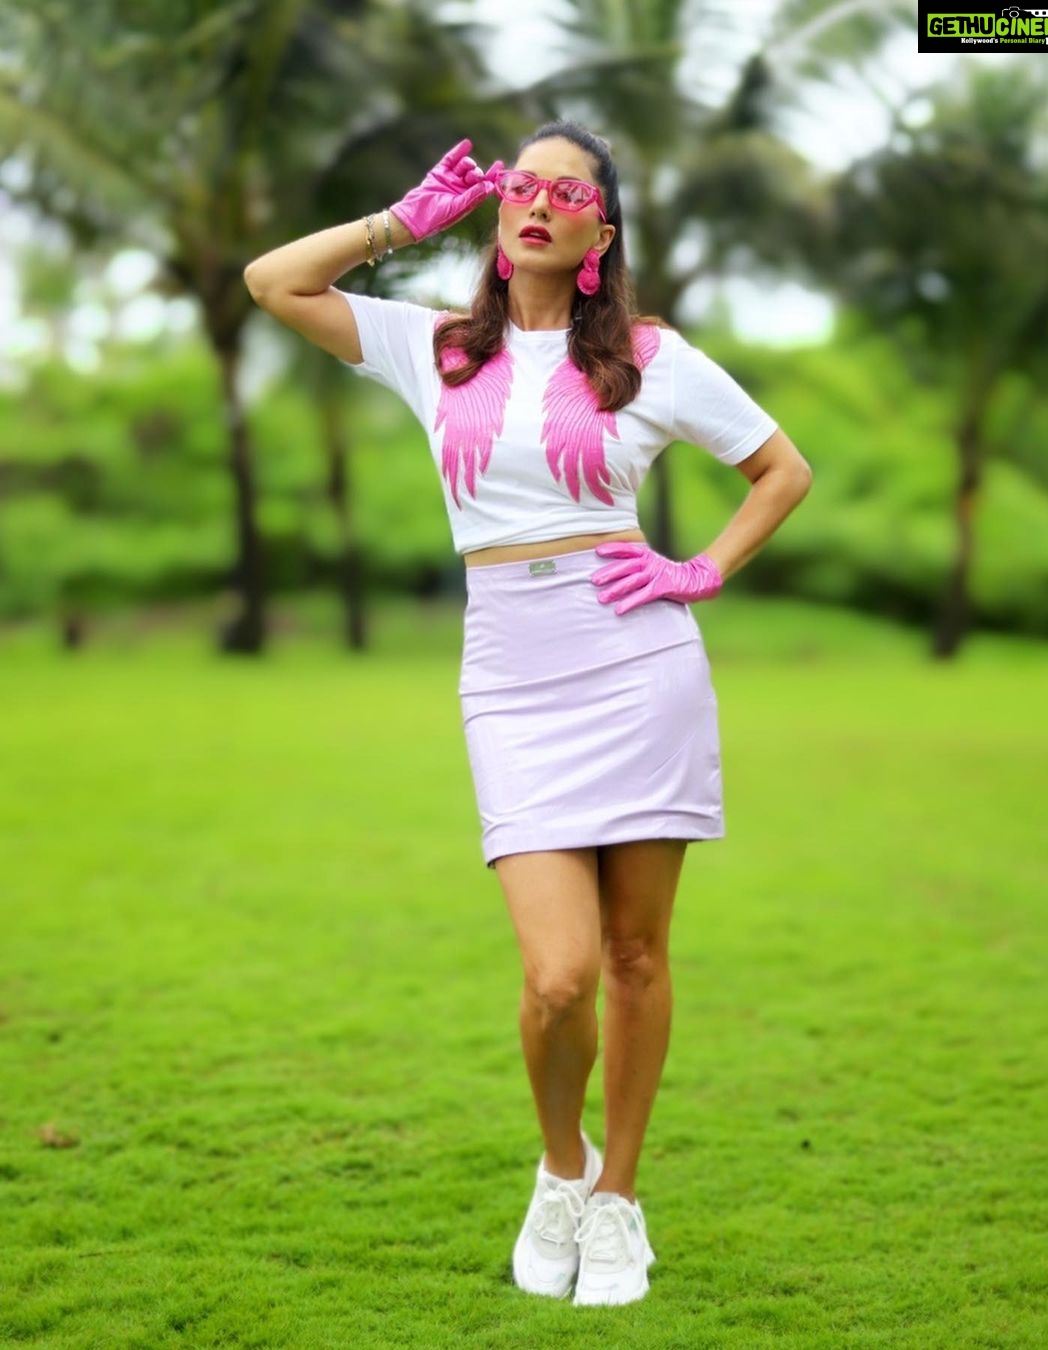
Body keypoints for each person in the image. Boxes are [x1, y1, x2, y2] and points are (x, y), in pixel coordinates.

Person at [244, 120, 812, 1307]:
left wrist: (699, 570)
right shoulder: (437, 349)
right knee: (558, 976)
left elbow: (782, 471)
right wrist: (400, 224)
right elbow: (273, 282)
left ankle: (620, 1201)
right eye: (522, 185)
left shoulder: (650, 358)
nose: (541, 201)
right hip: (509, 676)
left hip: (637, 662)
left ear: (601, 235)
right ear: (498, 214)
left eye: (570, 192)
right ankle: (563, 1167)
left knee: (635, 955)